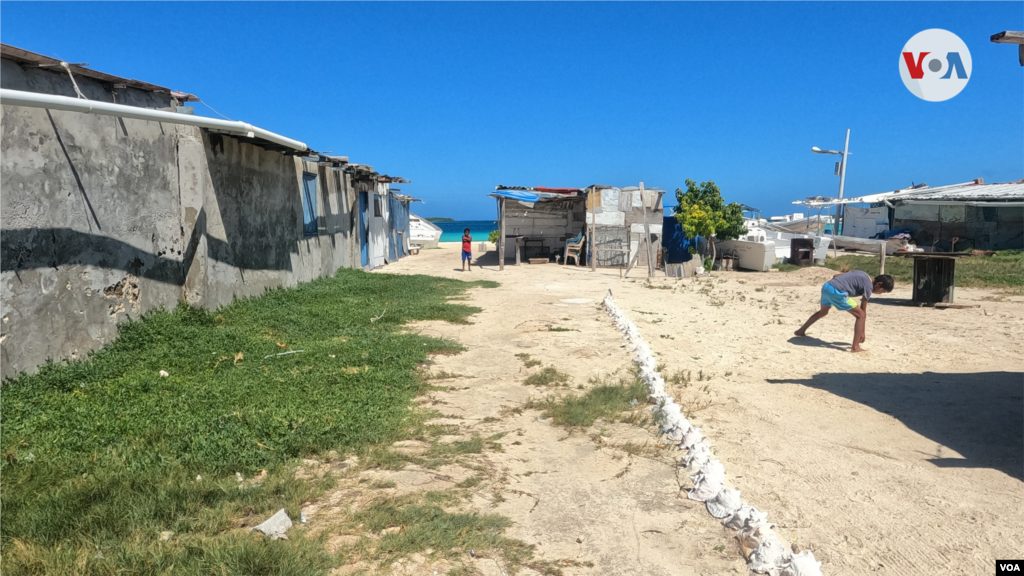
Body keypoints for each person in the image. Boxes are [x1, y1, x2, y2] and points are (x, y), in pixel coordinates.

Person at [794, 270, 894, 353]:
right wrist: (862, 332)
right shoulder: (869, 286)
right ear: (879, 284)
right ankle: (855, 347)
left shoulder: (863, 274)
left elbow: (836, 275)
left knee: (823, 312)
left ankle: (800, 331)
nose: (880, 294)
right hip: (838, 292)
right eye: (882, 291)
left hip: (827, 287)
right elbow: (863, 310)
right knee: (861, 315)